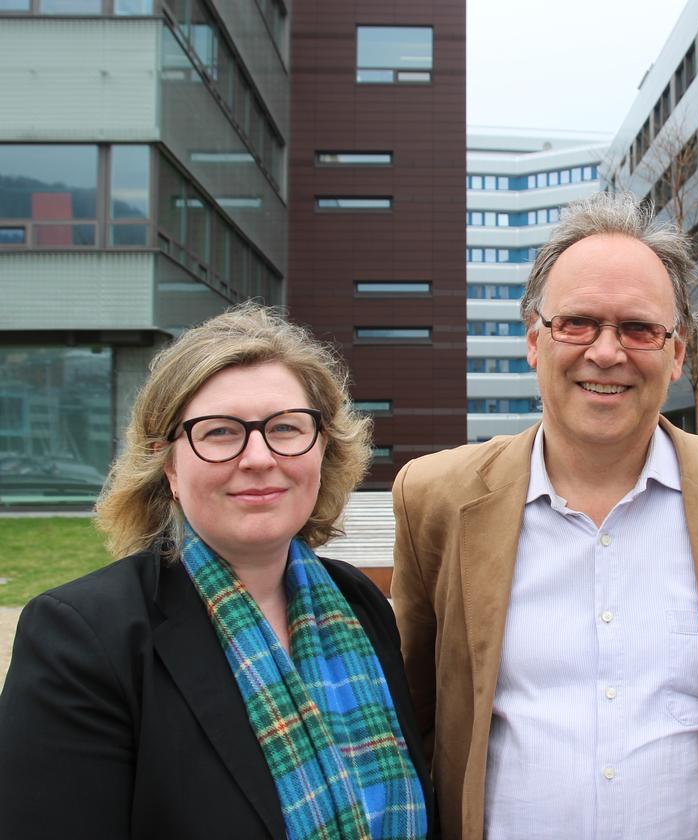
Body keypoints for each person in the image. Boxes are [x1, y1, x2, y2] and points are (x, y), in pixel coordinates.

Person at [392, 191, 698, 840]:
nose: (606, 352)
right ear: (534, 341)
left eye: (638, 328)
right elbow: (410, 722)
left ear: (677, 353)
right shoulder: (436, 500)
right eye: (577, 323)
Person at [0, 305, 434, 839]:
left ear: (322, 449)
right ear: (168, 465)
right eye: (222, 432)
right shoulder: (83, 637)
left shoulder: (360, 604)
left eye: (286, 428)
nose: (258, 457)